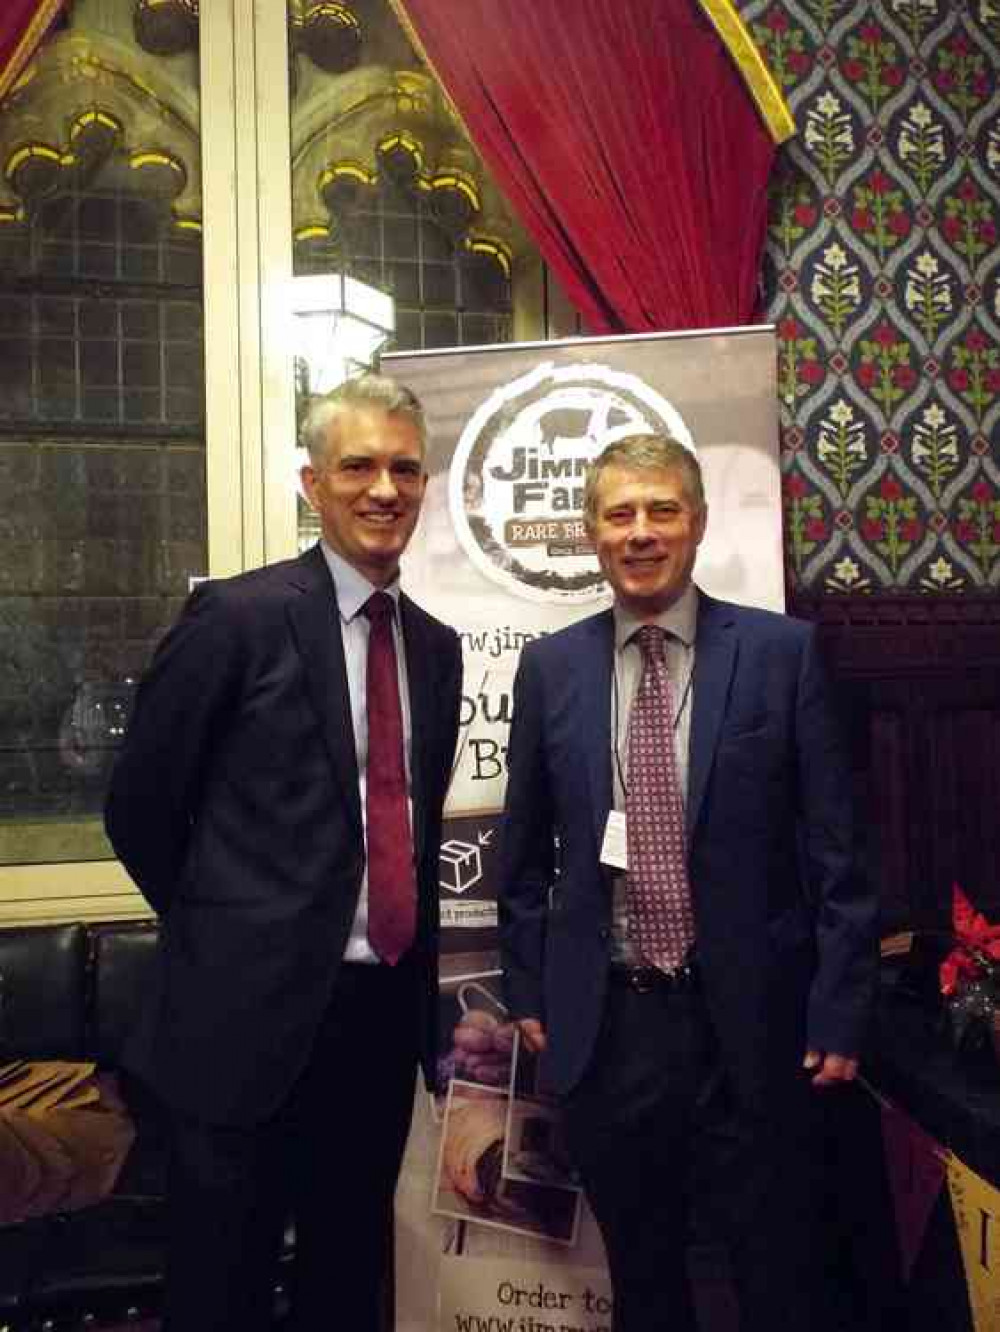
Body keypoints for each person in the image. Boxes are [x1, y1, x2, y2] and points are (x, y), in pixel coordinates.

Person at [105, 373, 462, 1332]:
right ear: (313, 483)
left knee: (345, 1282)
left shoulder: (435, 646)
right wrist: (230, 938)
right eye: (358, 466)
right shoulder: (236, 618)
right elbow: (139, 809)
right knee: (219, 1289)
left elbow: (407, 817)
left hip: (376, 1022)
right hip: (236, 1030)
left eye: (403, 468)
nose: (384, 489)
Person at [499, 433, 876, 1332]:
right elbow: (517, 861)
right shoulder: (551, 669)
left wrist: (838, 1011)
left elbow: (840, 861)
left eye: (661, 509)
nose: (640, 531)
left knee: (780, 1281)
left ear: (697, 523)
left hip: (756, 1029)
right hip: (614, 1029)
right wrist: (528, 988)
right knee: (647, 1284)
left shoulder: (783, 657)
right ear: (590, 531)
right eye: (618, 513)